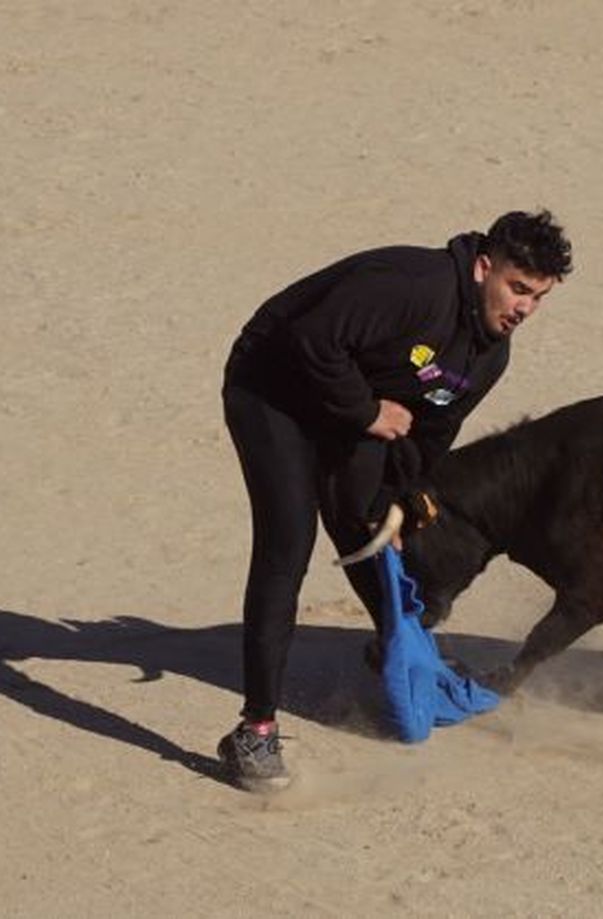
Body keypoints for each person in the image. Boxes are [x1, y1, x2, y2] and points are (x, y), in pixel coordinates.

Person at [217, 210, 573, 791]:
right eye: (517, 288)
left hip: (349, 407)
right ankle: (254, 732)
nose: (524, 309)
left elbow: (429, 435)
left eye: (538, 298)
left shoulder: (489, 357)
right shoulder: (414, 286)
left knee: (372, 525)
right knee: (289, 544)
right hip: (271, 388)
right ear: (485, 267)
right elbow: (309, 338)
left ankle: (400, 649)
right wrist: (365, 413)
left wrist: (401, 498)